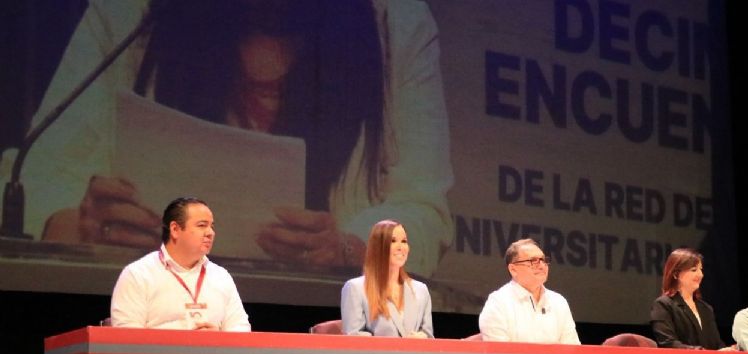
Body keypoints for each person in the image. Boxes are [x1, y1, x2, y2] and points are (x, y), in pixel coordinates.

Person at [3, 0, 453, 276]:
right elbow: (30, 176)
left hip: (324, 323)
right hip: (151, 316)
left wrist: (347, 249)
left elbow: (425, 211)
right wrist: (80, 228)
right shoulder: (136, 12)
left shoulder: (394, 21)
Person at [110, 197, 251, 330]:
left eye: (211, 226)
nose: (210, 233)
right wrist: (185, 343)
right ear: (175, 230)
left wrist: (218, 340)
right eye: (202, 225)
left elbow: (241, 329)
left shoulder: (221, 276)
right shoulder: (138, 274)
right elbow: (127, 337)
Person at [340, 219, 432, 337]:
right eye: (393, 241)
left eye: (404, 241)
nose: (401, 247)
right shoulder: (355, 288)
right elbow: (353, 337)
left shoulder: (421, 290)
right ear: (378, 247)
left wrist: (422, 337)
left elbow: (428, 335)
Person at [478, 239, 580, 344]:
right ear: (513, 269)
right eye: (533, 261)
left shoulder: (559, 301)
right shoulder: (498, 302)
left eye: (543, 260)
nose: (541, 266)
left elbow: (572, 350)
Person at [649, 248, 730, 350]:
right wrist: (698, 351)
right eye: (694, 270)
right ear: (676, 274)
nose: (700, 274)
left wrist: (725, 350)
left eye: (701, 269)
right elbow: (668, 343)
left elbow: (717, 344)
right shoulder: (663, 305)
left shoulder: (706, 308)